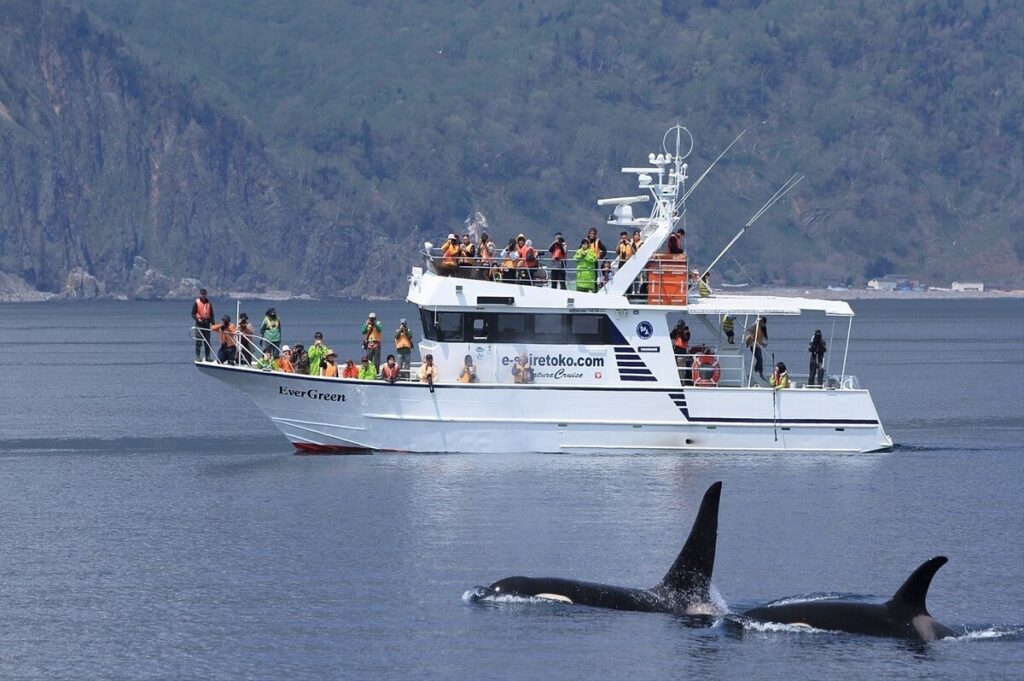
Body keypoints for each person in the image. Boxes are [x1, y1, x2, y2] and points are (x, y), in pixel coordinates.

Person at [191, 288, 214, 361]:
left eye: (204, 294)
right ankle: (198, 356)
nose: (203, 295)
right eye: (202, 294)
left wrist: (213, 323)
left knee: (207, 341)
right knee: (199, 341)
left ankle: (208, 356)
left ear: (206, 294)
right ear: (199, 294)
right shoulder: (196, 302)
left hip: (207, 324)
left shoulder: (209, 303)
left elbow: (212, 314)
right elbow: (193, 314)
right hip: (199, 324)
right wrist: (198, 319)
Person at [744, 316, 768, 381]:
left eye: (763, 323)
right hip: (753, 345)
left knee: (760, 360)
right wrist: (756, 322)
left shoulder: (762, 328)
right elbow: (748, 330)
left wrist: (763, 343)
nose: (762, 324)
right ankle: (755, 371)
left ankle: (759, 373)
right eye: (761, 322)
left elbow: (759, 338)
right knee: (759, 359)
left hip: (758, 346)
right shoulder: (756, 326)